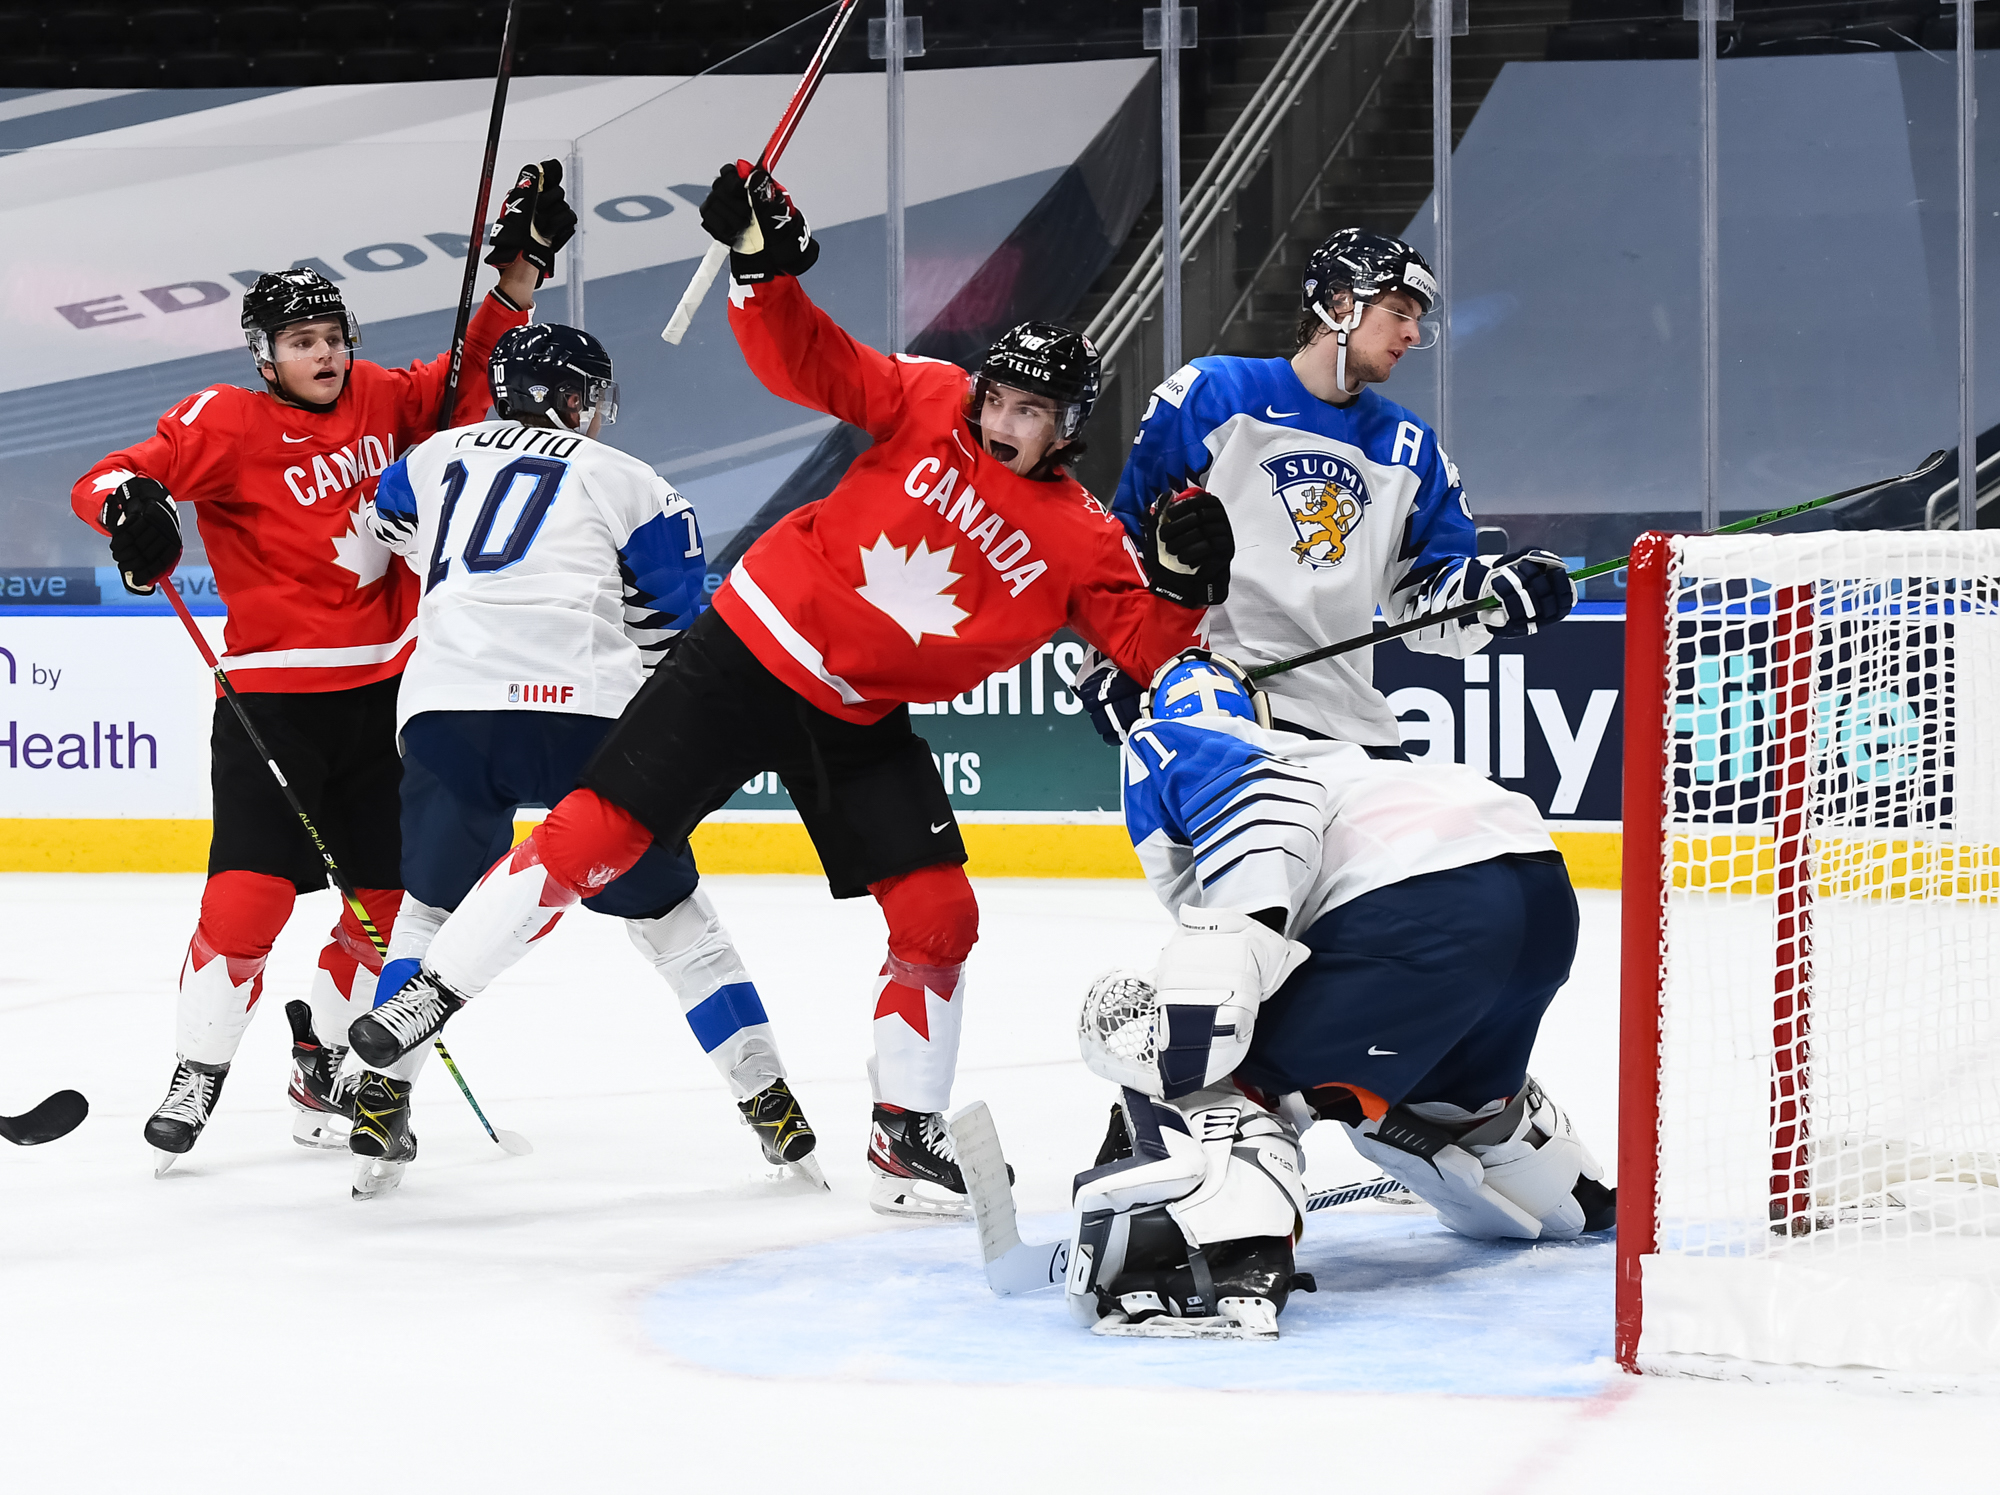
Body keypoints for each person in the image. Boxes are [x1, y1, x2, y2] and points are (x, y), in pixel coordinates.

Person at [343, 159, 1232, 1218]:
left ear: (1068, 424)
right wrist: (761, 272)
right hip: (746, 651)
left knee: (940, 911)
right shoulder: (928, 399)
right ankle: (432, 996)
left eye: (1029, 411)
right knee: (594, 833)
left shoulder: (1081, 538)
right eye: (997, 396)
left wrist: (1182, 583)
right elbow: (809, 361)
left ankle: (904, 1137)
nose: (1000, 420)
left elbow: (1146, 646)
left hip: (856, 715)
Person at [69, 162, 576, 1172]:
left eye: (334, 337)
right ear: (266, 355)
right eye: (303, 341)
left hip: (386, 702)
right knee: (247, 902)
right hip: (274, 707)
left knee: (387, 910)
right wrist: (129, 511)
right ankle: (195, 1073)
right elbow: (104, 477)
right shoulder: (222, 422)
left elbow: (465, 379)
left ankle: (328, 1067)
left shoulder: (384, 398)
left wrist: (516, 278)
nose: (325, 355)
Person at [349, 321, 820, 1198]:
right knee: (677, 922)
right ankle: (770, 1103)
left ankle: (382, 1101)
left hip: (447, 708)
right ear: (571, 399)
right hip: (584, 716)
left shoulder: (430, 455)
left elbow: (384, 522)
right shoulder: (628, 477)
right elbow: (680, 620)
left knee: (429, 911)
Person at [1063, 649, 1612, 1338]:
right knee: (1445, 1101)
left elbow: (1262, 820)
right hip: (1537, 897)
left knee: (1198, 1060)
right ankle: (1552, 1186)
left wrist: (1203, 1028)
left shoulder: (1176, 738)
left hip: (1419, 911)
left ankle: (1217, 1256)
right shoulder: (1341, 758)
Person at [1083, 229, 1576, 750]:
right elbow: (1128, 543)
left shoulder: (1412, 448)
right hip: (1215, 702)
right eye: (1399, 310)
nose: (1412, 333)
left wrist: (1495, 598)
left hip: (1351, 729)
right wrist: (1108, 666)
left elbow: (1426, 609)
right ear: (1339, 302)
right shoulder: (1215, 394)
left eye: (1418, 320)